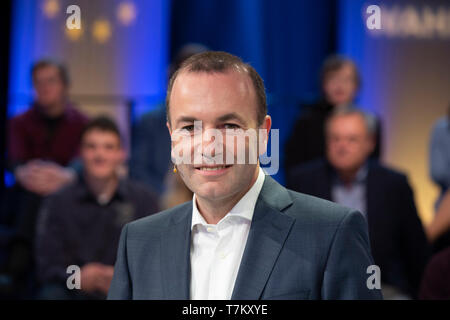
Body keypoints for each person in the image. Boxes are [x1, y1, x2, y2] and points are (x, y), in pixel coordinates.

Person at [108, 51, 382, 300]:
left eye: (229, 125)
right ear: (171, 137)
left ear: (263, 134)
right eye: (190, 127)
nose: (209, 146)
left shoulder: (331, 232)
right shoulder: (138, 242)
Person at [287, 108, 431, 299]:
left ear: (370, 143)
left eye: (351, 139)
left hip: (385, 287)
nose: (342, 146)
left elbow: (415, 249)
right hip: (320, 289)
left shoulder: (394, 184)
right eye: (335, 139)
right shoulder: (303, 182)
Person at [35, 117, 159, 300]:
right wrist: (78, 277)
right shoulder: (59, 202)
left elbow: (154, 259)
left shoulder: (144, 200)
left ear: (121, 154)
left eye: (109, 147)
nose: (100, 155)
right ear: (81, 153)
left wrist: (122, 278)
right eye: (92, 147)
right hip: (73, 290)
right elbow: (47, 265)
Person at [1, 59, 88, 298]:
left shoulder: (82, 123)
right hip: (28, 192)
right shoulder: (18, 122)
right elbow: (16, 162)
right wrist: (31, 174)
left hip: (66, 195)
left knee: (58, 196)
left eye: (51, 81)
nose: (44, 88)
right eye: (38, 82)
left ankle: (18, 267)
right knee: (30, 196)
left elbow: (81, 164)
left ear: (65, 85)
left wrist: (66, 175)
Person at [129, 43, 208, 196]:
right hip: (161, 204)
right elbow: (138, 172)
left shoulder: (218, 124)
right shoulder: (149, 122)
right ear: (171, 77)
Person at [284, 55, 382, 177]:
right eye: (333, 79)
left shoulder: (369, 121)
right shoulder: (305, 122)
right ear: (323, 85)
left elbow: (375, 167)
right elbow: (293, 166)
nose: (339, 86)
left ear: (357, 86)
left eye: (346, 80)